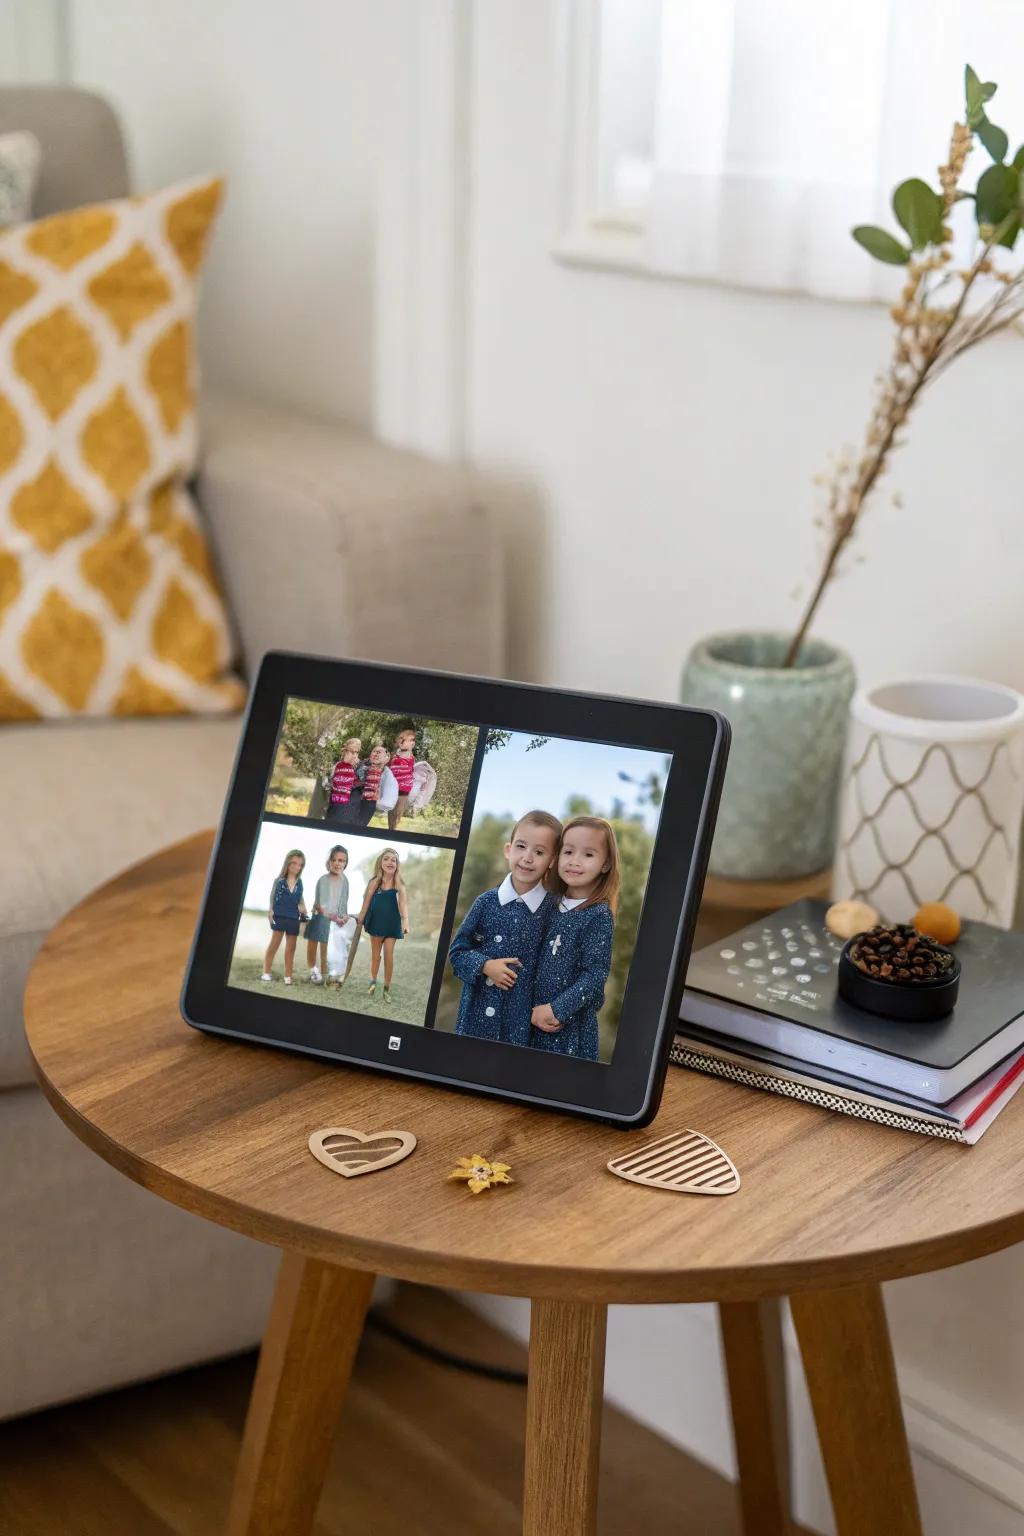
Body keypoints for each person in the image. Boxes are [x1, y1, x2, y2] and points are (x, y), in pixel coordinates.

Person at [448, 811, 561, 1045]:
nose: (527, 858)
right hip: (474, 1022)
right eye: (521, 846)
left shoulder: (554, 911)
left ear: (552, 860)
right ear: (508, 849)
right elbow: (457, 954)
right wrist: (485, 965)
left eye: (539, 852)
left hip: (520, 1030)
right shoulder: (485, 902)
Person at [529, 816, 619, 1060]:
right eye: (568, 852)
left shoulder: (598, 915)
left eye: (588, 855)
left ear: (605, 863)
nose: (575, 862)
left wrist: (556, 1010)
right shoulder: (548, 904)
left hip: (567, 1031)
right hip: (529, 1022)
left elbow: (594, 975)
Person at [356, 846, 409, 1005]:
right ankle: (373, 981)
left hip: (392, 925)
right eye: (386, 859)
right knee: (375, 955)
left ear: (397, 865)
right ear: (380, 863)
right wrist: (360, 918)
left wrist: (406, 922)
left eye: (394, 860)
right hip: (376, 924)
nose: (390, 862)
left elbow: (404, 905)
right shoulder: (374, 882)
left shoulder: (398, 883)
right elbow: (366, 902)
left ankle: (386, 988)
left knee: (388, 955)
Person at [304, 845, 350, 984]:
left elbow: (343, 901)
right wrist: (334, 917)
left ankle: (325, 974)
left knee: (327, 947)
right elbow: (321, 905)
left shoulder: (345, 881)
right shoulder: (323, 880)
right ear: (329, 862)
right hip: (320, 916)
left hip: (334, 919)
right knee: (313, 944)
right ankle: (313, 969)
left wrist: (344, 916)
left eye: (341, 860)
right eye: (334, 860)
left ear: (346, 863)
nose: (337, 863)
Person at [262, 849, 308, 985]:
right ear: (287, 863)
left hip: (294, 918)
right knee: (274, 945)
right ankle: (266, 972)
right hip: (280, 915)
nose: (296, 867)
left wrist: (304, 909)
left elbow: (300, 899)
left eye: (300, 864)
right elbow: (272, 897)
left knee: (291, 948)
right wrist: (270, 910)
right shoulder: (279, 881)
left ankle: (288, 976)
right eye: (293, 863)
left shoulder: (300, 883)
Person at [356, 743, 399, 828]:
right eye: (374, 751)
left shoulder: (389, 777)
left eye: (379, 752)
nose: (376, 754)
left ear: (386, 759)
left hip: (368, 804)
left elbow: (388, 800)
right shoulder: (361, 766)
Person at [387, 726, 418, 831]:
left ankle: (393, 828)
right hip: (393, 787)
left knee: (398, 812)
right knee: (391, 810)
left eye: (413, 740)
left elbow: (407, 754)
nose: (412, 742)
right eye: (410, 740)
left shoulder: (410, 755)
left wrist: (407, 746)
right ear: (401, 741)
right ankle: (391, 829)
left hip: (404, 789)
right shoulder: (395, 755)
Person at [325, 738, 362, 824]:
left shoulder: (358, 766)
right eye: (351, 751)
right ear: (344, 751)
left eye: (356, 752)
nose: (354, 755)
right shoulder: (338, 765)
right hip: (335, 800)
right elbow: (332, 780)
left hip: (347, 805)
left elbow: (360, 782)